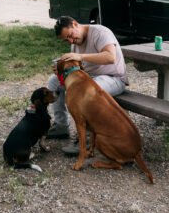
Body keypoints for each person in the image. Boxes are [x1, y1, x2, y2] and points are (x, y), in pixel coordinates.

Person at [46, 16, 128, 155]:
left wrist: (81, 57)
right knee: (53, 82)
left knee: (86, 91)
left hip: (113, 78)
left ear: (76, 24)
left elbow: (110, 57)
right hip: (90, 78)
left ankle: (88, 141)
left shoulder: (100, 32)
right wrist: (61, 68)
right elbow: (79, 67)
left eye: (70, 36)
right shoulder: (75, 42)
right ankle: (61, 126)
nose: (71, 41)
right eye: (67, 40)